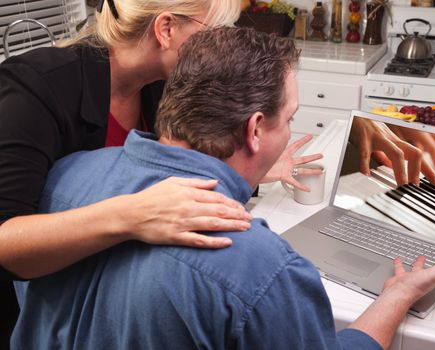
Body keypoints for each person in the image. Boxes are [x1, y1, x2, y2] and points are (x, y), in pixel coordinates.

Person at [12, 27, 435, 350]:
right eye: (289, 119)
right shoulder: (262, 268)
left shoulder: (65, 177)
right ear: (254, 130)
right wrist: (397, 296)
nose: (289, 130)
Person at [0, 0, 323, 346]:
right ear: (166, 28)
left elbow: (176, 160)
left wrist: (254, 165)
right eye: (214, 31)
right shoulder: (36, 89)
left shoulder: (160, 84)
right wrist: (133, 214)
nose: (222, 44)